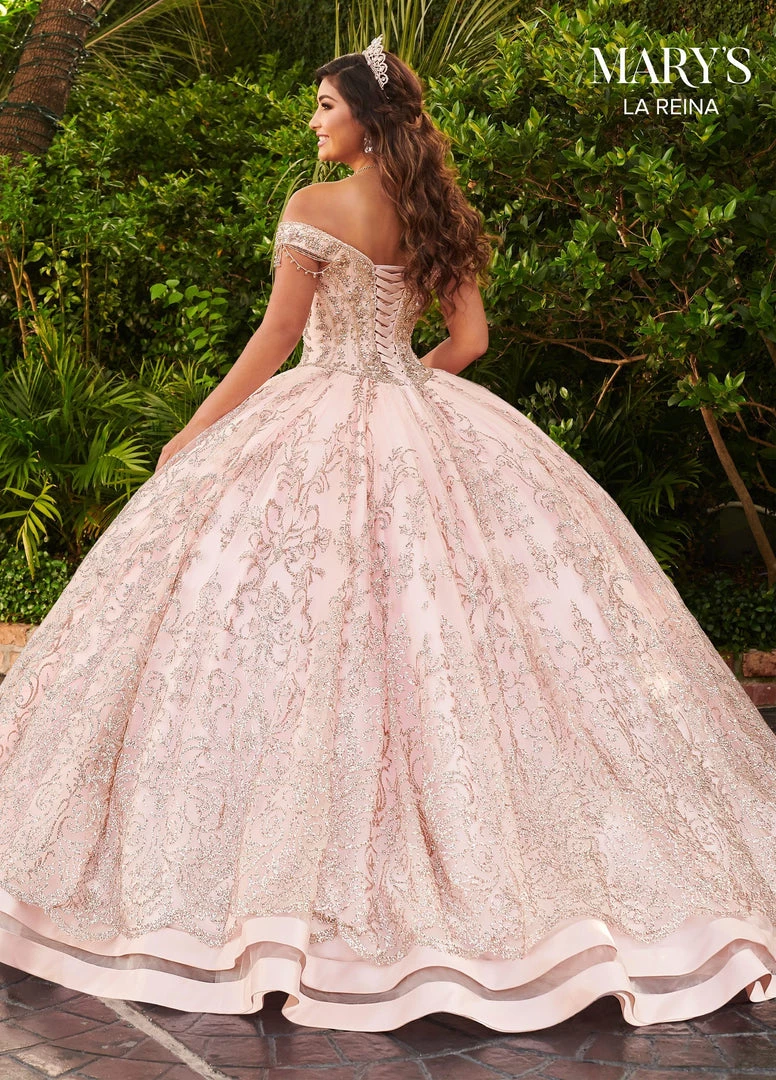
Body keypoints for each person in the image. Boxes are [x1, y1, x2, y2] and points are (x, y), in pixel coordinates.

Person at [0, 36, 774, 1037]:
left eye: (326, 105)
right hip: (415, 407)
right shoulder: (438, 211)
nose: (313, 121)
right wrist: (407, 394)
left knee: (284, 625)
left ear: (366, 119)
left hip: (315, 407)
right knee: (437, 632)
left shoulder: (313, 207)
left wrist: (197, 431)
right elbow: (471, 342)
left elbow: (279, 336)